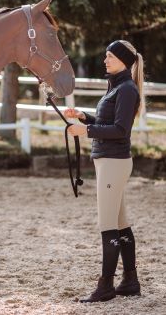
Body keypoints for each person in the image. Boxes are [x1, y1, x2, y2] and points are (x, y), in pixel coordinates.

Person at [64, 40, 143, 303]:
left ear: (122, 60)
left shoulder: (127, 89)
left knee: (107, 225)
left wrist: (84, 132)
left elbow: (121, 130)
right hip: (111, 162)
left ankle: (105, 286)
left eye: (109, 56)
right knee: (120, 223)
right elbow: (109, 123)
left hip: (113, 162)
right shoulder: (118, 87)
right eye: (105, 56)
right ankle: (130, 281)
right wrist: (87, 118)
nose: (105, 60)